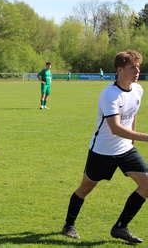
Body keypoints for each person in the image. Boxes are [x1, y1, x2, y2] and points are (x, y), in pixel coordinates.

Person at [61, 50, 148, 244]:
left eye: (138, 67)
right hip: (102, 151)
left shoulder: (138, 90)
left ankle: (120, 227)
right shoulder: (109, 94)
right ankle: (69, 225)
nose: (137, 71)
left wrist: (132, 140)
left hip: (125, 149)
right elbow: (116, 128)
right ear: (119, 70)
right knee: (85, 188)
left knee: (147, 184)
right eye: (132, 67)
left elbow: (132, 114)